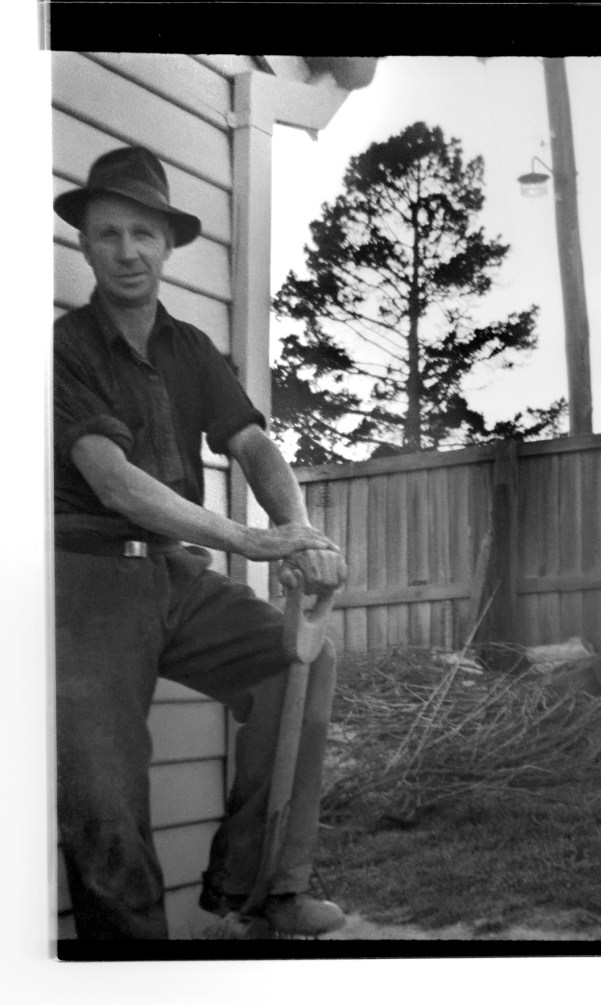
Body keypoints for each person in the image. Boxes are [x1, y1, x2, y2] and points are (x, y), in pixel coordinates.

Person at [53, 145, 349, 940]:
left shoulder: (189, 348)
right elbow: (113, 481)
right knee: (104, 796)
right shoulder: (61, 349)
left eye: (142, 235)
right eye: (109, 234)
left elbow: (251, 443)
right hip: (85, 584)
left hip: (176, 579)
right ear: (84, 243)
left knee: (300, 659)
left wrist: (296, 529)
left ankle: (263, 892)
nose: (126, 252)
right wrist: (250, 540)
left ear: (168, 245)